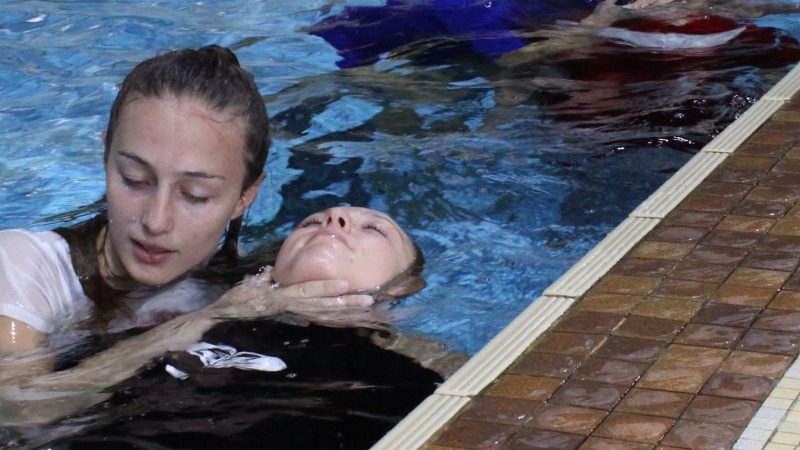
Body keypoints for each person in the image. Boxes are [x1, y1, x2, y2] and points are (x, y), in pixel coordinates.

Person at [0, 45, 366, 357]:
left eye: (195, 195)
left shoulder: (251, 287)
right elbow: (28, 411)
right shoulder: (23, 268)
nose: (156, 221)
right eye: (135, 180)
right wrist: (212, 319)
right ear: (105, 159)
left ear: (245, 197)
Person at [1, 206, 451, 428]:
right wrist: (221, 314)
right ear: (272, 268)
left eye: (373, 228)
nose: (333, 219)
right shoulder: (195, 306)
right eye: (311, 223)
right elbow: (29, 411)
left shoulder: (428, 364)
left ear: (405, 287)